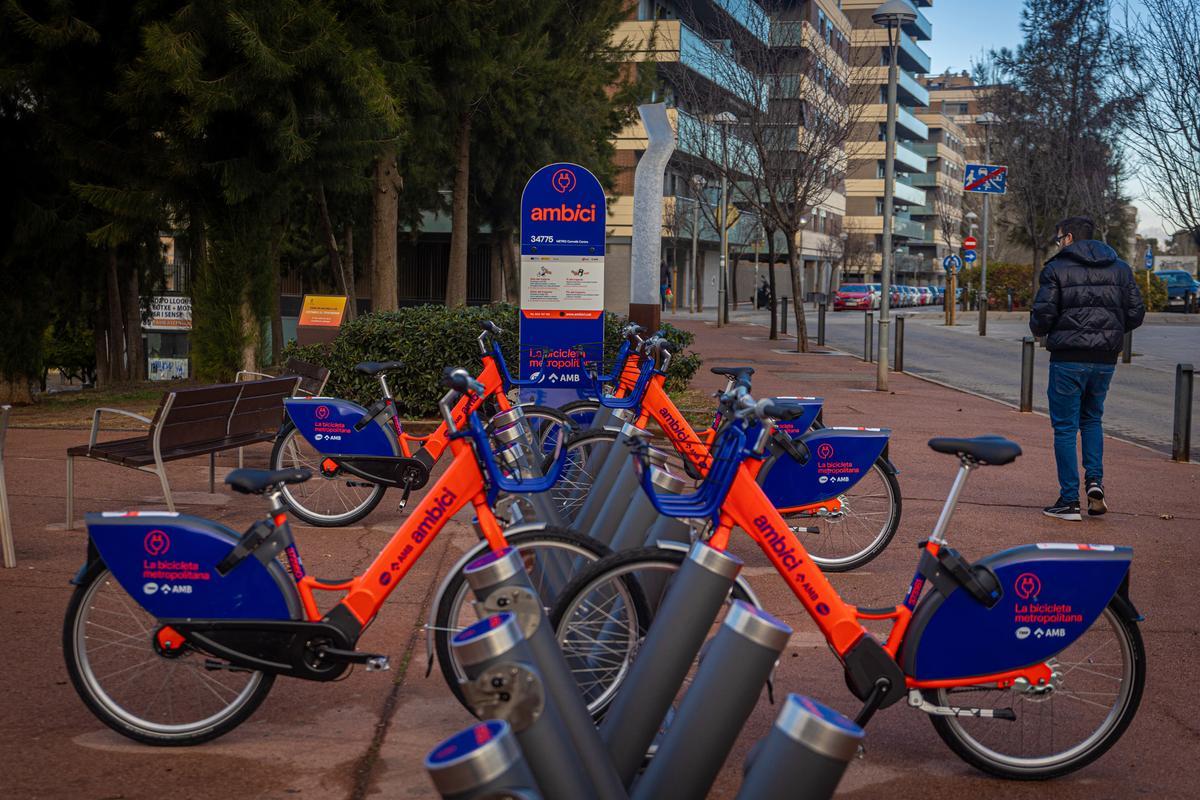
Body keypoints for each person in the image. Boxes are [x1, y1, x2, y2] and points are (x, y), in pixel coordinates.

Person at [1029, 216, 1145, 521]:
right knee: (1092, 420)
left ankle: (1069, 501)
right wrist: (1111, 331)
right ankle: (1094, 482)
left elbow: (1043, 314)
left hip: (1068, 358)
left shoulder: (1056, 268)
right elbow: (1135, 312)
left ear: (1068, 238)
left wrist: (1044, 330)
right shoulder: (1120, 268)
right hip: (1105, 359)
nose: (1057, 243)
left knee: (1065, 428)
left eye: (1058, 238)